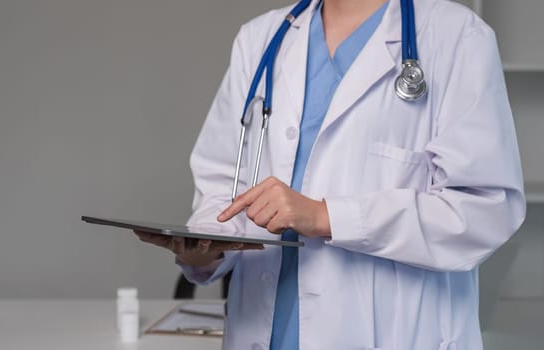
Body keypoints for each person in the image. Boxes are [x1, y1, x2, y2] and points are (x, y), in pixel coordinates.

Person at [135, 0, 526, 348]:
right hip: (264, 329)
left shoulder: (455, 35)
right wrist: (206, 249)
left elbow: (483, 211)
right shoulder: (261, 38)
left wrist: (326, 216)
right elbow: (222, 185)